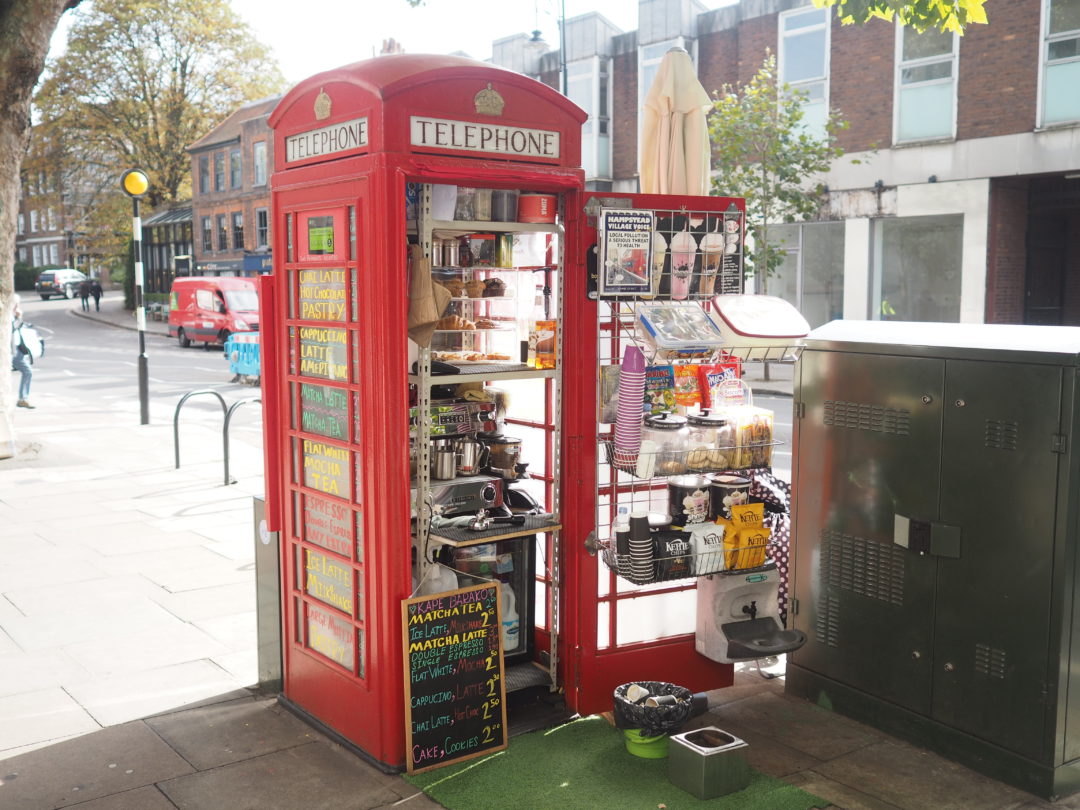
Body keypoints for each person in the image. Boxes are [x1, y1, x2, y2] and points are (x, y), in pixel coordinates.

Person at [10, 295, 34, 409]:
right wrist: (19, 317)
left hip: (17, 349)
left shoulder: (12, 315)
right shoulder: (8, 316)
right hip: (11, 351)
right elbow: (10, 329)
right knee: (27, 371)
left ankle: (23, 398)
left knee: (28, 371)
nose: (18, 306)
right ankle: (22, 398)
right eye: (17, 304)